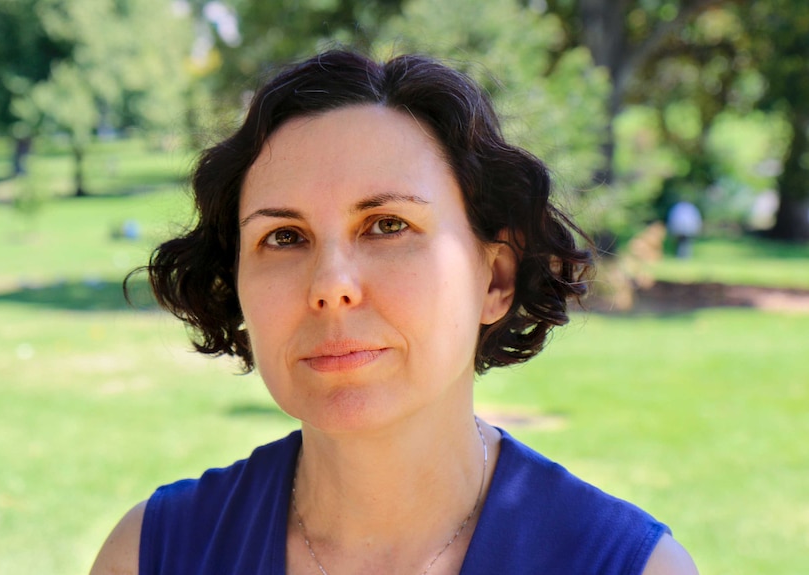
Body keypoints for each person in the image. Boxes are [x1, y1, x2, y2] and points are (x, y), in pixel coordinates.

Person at [90, 50, 698, 575]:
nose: (330, 286)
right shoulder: (151, 555)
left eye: (387, 226)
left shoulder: (629, 566)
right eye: (283, 237)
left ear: (497, 277)